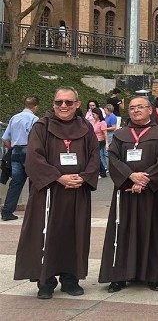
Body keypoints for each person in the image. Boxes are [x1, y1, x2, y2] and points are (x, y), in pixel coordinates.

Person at [14, 87, 99, 299]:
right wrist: (58, 177)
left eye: (68, 102)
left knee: (74, 235)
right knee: (46, 235)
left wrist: (84, 176)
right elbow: (33, 158)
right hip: (49, 193)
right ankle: (46, 281)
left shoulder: (86, 127)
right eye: (59, 102)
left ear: (77, 104)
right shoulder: (41, 126)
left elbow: (94, 157)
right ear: (53, 104)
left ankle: (70, 279)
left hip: (76, 192)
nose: (63, 106)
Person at [99, 97, 158, 292]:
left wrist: (145, 180)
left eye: (140, 107)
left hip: (153, 194)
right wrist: (130, 176)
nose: (136, 110)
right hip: (126, 192)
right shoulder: (121, 134)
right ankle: (119, 275)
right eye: (132, 108)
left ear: (150, 110)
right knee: (122, 231)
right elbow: (112, 158)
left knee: (153, 232)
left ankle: (153, 276)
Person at [1, 96, 39, 221]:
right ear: (35, 106)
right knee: (34, 182)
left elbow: (5, 138)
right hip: (30, 151)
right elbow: (36, 139)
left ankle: (7, 211)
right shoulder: (34, 119)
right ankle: (33, 212)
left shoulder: (14, 118)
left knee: (16, 182)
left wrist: (12, 147)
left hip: (16, 151)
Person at [90, 108, 109, 178]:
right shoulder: (94, 121)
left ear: (98, 114)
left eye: (94, 114)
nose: (93, 116)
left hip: (100, 141)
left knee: (97, 156)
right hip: (94, 140)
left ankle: (103, 172)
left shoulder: (102, 122)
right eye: (92, 114)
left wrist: (107, 143)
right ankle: (101, 171)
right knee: (96, 156)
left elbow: (105, 133)